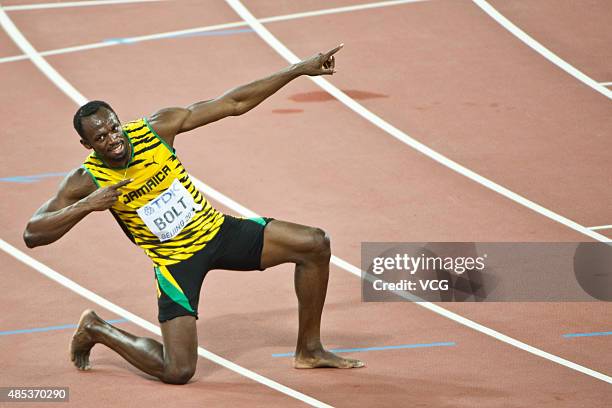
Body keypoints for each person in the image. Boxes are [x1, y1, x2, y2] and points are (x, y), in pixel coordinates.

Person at [23, 44, 364, 385]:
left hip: (217, 232)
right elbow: (33, 234)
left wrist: (297, 70)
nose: (113, 139)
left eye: (114, 128)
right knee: (179, 370)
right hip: (176, 263)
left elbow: (233, 103)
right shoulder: (87, 179)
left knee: (315, 243)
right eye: (100, 137)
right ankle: (97, 328)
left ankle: (309, 350)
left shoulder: (155, 129)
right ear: (88, 145)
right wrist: (86, 205)